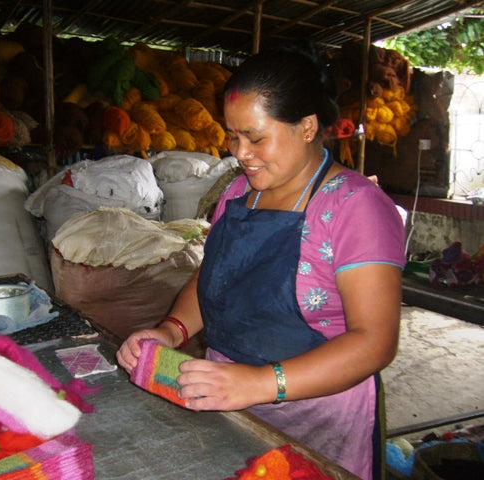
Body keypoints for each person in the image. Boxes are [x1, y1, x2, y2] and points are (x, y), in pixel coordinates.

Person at [117, 40, 406, 480]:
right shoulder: (238, 193)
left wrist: (257, 383)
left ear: (307, 127)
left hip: (319, 419)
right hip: (227, 401)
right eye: (233, 135)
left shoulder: (355, 208)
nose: (240, 152)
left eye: (255, 137)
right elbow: (213, 278)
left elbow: (374, 342)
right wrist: (170, 330)